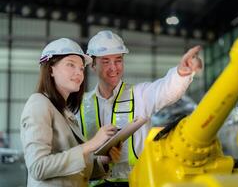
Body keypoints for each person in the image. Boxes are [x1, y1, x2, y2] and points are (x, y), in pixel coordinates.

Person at [78, 30, 203, 186]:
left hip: (136, 181)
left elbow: (166, 90)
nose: (114, 67)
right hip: (95, 183)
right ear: (92, 65)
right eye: (105, 61)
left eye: (118, 60)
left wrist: (182, 73)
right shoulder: (81, 105)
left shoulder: (140, 94)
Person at [20, 38, 122, 187]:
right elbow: (38, 167)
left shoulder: (63, 111)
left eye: (81, 68)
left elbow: (71, 171)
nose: (79, 73)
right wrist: (92, 144)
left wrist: (103, 161)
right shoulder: (38, 104)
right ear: (50, 69)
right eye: (71, 65)